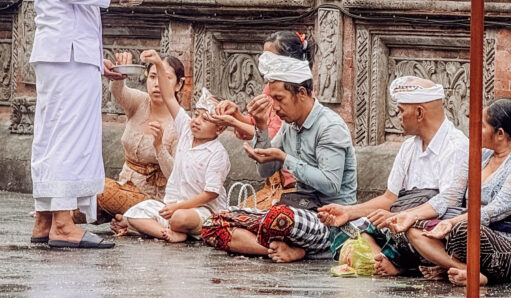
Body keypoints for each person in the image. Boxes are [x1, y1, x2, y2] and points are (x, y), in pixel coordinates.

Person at [29, 0, 140, 249]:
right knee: (69, 136)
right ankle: (62, 224)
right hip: (65, 53)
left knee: (51, 133)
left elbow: (67, 5)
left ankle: (45, 220)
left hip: (63, 51)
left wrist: (96, 60)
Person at [201, 48, 356, 261]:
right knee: (214, 223)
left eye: (279, 99)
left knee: (279, 216)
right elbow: (266, 170)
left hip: (330, 219)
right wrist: (261, 127)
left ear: (301, 93)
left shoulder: (330, 127)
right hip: (297, 211)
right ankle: (278, 250)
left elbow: (330, 184)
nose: (274, 106)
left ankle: (311, 249)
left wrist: (285, 158)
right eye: (272, 99)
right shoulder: (289, 125)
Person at [318, 75, 468, 276]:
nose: (398, 117)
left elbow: (449, 200)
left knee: (411, 231)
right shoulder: (408, 147)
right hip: (399, 219)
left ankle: (389, 260)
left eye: (401, 111)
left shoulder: (456, 146)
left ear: (420, 112)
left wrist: (402, 216)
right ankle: (382, 258)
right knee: (345, 226)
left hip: (430, 226)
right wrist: (349, 211)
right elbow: (390, 198)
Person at [392, 97, 511, 286]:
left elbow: (493, 211)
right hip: (468, 237)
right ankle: (460, 268)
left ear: (499, 133)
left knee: (465, 230)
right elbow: (451, 196)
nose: (474, 132)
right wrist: (410, 215)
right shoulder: (478, 156)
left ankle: (471, 272)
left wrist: (449, 224)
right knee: (411, 229)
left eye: (481, 126)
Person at [122, 49, 230, 242]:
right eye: (196, 115)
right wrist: (157, 62)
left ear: (220, 128)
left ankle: (177, 229)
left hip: (201, 211)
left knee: (179, 218)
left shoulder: (217, 153)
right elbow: (169, 96)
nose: (197, 121)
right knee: (133, 213)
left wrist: (179, 208)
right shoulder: (186, 131)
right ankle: (167, 234)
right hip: (173, 204)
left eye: (205, 119)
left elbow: (210, 193)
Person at [97, 51, 185, 233]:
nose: (157, 83)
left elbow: (176, 177)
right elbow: (119, 92)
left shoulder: (181, 123)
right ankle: (53, 216)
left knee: (99, 188)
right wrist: (119, 74)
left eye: (165, 78)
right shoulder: (140, 102)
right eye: (153, 77)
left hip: (151, 199)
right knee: (82, 200)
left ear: (179, 84)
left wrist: (159, 146)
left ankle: (134, 220)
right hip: (123, 187)